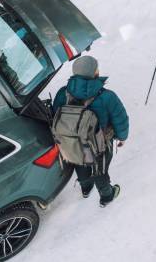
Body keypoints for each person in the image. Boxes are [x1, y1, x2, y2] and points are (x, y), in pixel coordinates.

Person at [52, 55, 129, 207]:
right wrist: (122, 137)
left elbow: (56, 115)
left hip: (72, 142)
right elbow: (120, 119)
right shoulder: (107, 96)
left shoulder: (63, 93)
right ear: (94, 73)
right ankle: (107, 196)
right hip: (100, 144)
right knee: (100, 170)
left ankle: (86, 188)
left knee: (79, 164)